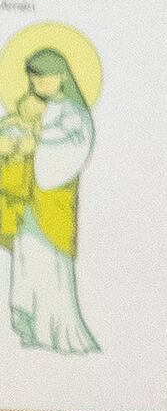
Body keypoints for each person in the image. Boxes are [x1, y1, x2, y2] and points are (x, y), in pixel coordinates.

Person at [1, 29, 100, 361]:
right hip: (28, 201)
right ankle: (29, 326)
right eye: (34, 78)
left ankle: (57, 331)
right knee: (27, 262)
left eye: (45, 78)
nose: (39, 84)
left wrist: (36, 140)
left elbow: (74, 144)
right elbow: (13, 131)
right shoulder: (28, 105)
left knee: (51, 263)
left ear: (61, 76)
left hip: (53, 200)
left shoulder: (73, 112)